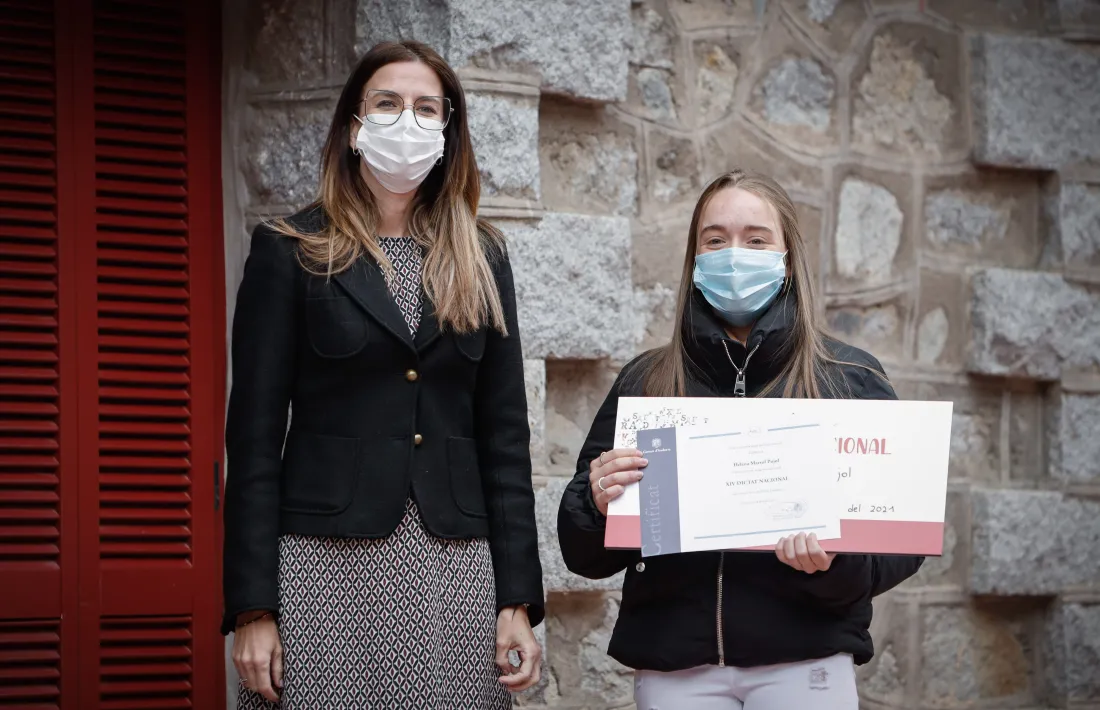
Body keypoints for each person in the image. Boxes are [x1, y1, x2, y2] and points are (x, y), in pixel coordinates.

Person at [222, 40, 544, 709]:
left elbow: (506, 439)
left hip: (456, 567)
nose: (408, 121)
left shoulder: (482, 258)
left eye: (428, 108)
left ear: (449, 130)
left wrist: (516, 598)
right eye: (389, 103)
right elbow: (252, 443)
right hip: (320, 565)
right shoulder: (288, 250)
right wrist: (253, 606)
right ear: (353, 125)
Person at [557, 170, 923, 709]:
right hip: (675, 669)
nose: (734, 255)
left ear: (787, 258)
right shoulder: (647, 382)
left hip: (806, 664)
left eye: (756, 240)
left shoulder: (849, 377)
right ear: (694, 257)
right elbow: (582, 552)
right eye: (715, 240)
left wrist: (834, 565)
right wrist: (596, 502)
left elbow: (902, 539)